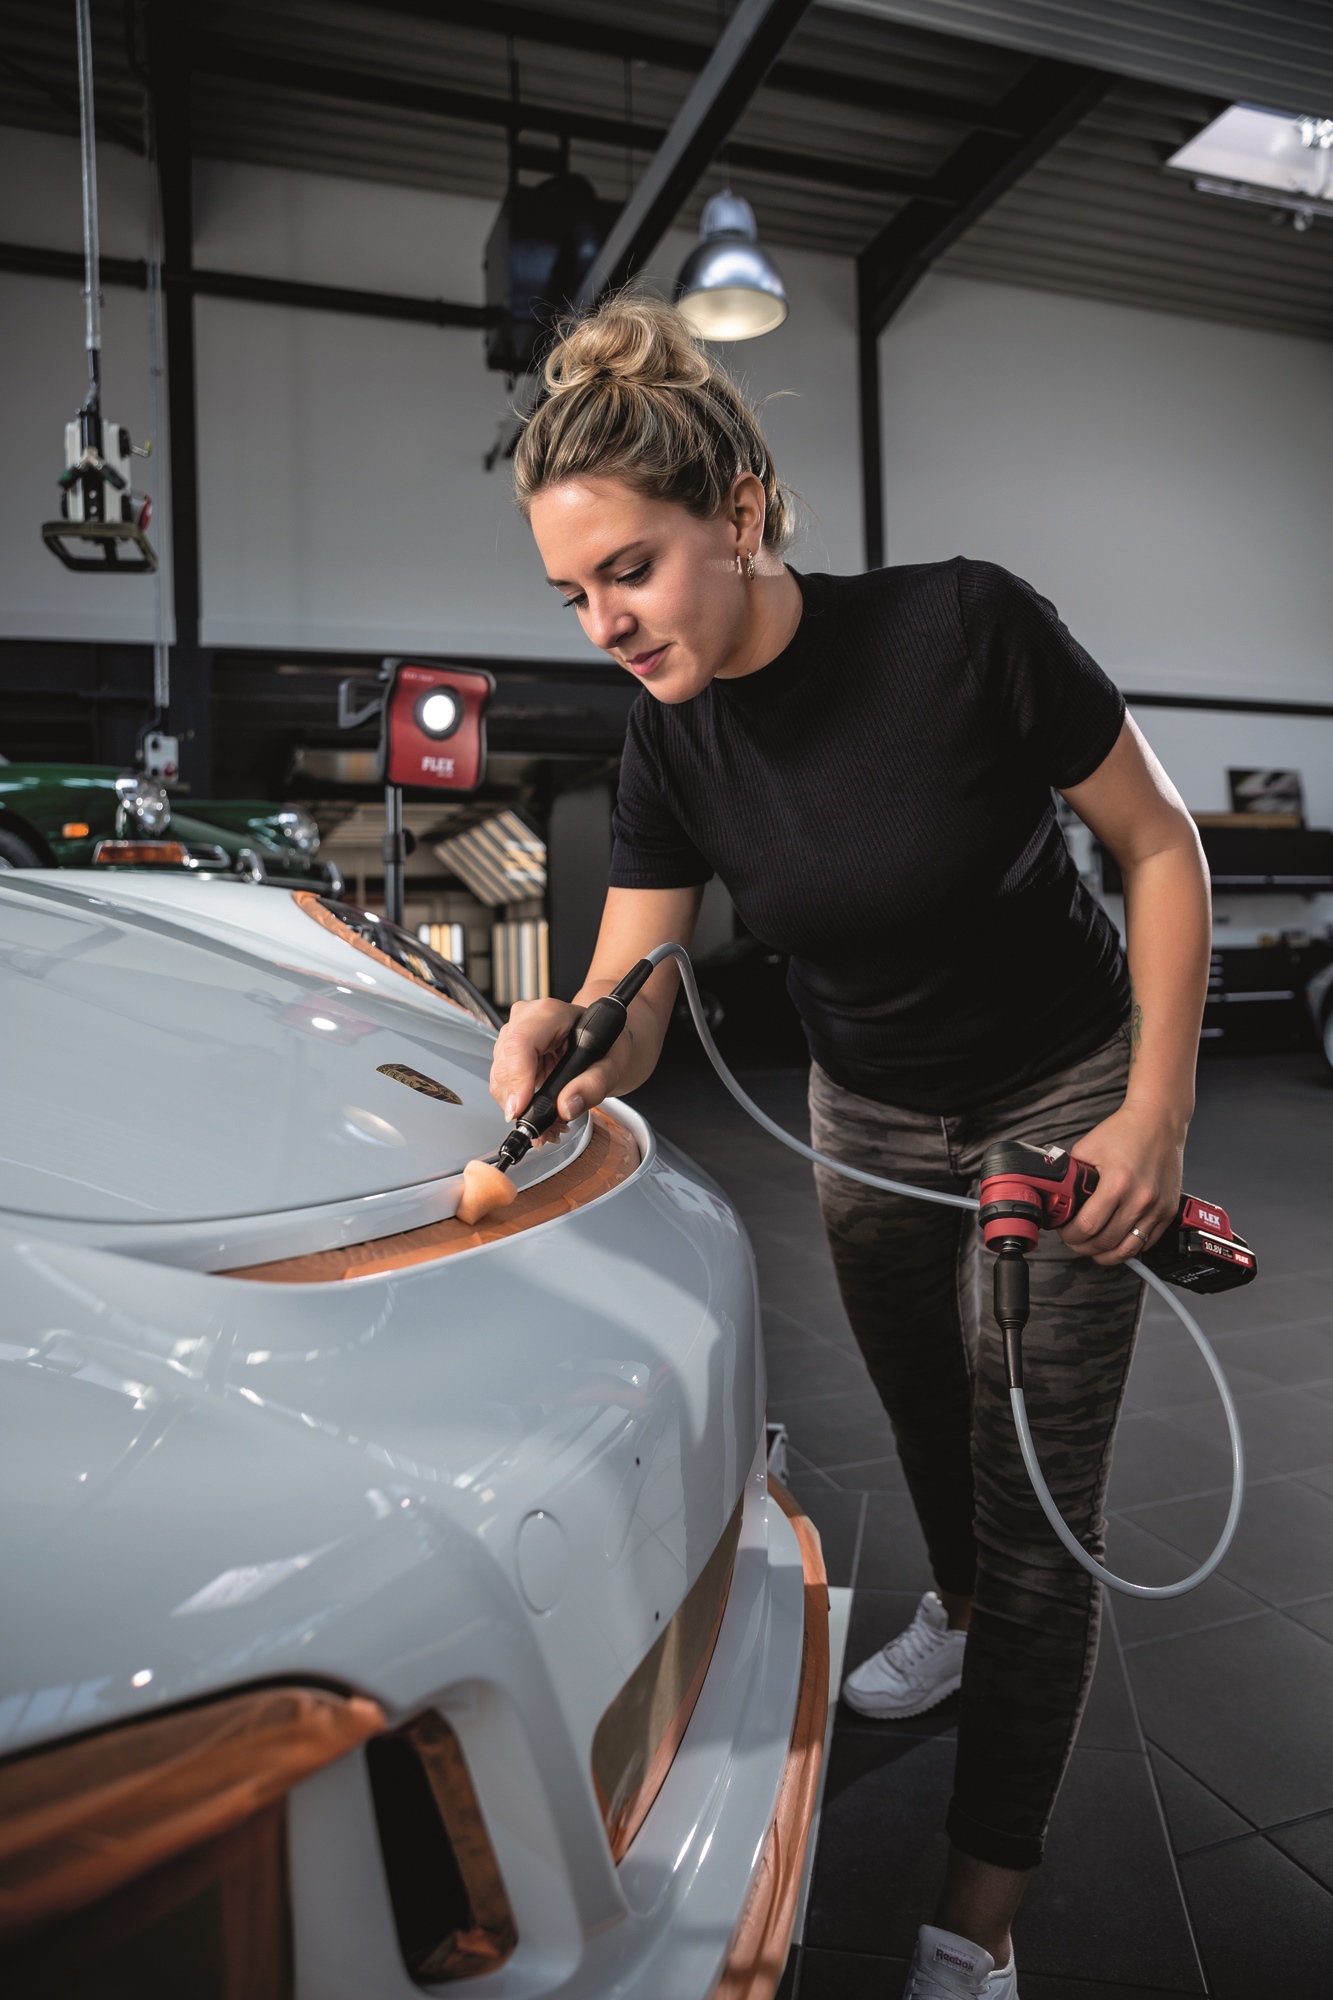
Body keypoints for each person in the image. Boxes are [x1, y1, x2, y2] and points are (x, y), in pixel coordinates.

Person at [488, 294, 1210, 2000]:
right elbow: (636, 991)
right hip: (863, 1113)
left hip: (1060, 1091)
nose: (604, 623)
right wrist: (568, 1038)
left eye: (628, 572)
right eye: (573, 596)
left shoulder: (963, 627)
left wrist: (1155, 1109)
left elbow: (1159, 846)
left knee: (1034, 1511)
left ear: (737, 511)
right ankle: (949, 1615)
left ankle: (974, 1925)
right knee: (927, 1422)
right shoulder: (668, 733)